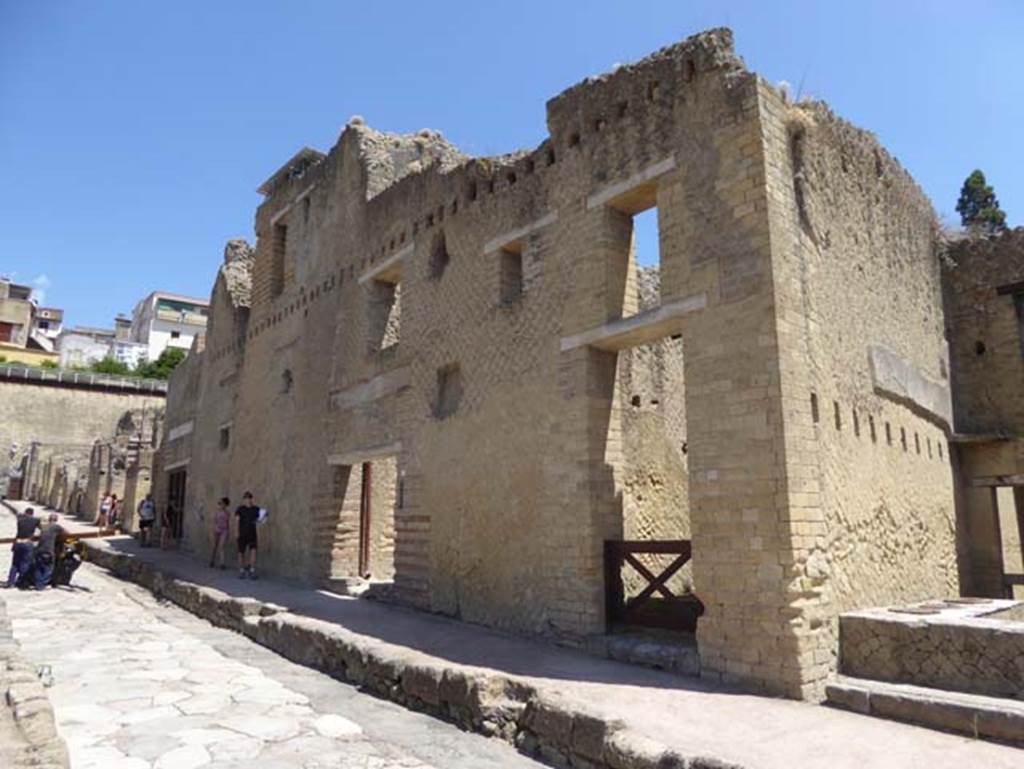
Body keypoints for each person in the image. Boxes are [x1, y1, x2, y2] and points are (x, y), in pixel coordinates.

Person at [5, 507, 40, 588]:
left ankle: (11, 582)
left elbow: (19, 515)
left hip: (17, 543)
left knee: (15, 564)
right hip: (26, 543)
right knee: (25, 563)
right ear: (32, 513)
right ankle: (22, 582)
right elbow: (41, 527)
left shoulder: (20, 520)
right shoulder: (35, 520)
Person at [33, 513, 64, 590]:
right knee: (49, 568)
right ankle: (42, 584)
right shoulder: (56, 527)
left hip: (39, 549)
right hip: (48, 550)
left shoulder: (44, 526)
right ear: (56, 520)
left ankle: (38, 584)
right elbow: (66, 533)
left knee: (39, 568)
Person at [235, 491, 260, 579]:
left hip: (252, 533)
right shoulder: (240, 509)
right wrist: (237, 532)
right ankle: (241, 570)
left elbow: (261, 517)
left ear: (251, 499)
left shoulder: (255, 509)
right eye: (245, 498)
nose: (247, 500)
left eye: (249, 498)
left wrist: (259, 520)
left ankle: (252, 570)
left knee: (253, 551)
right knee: (241, 552)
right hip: (242, 533)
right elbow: (237, 520)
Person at [209, 496, 229, 569]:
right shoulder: (216, 511)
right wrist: (213, 529)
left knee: (221, 546)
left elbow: (227, 522)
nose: (220, 505)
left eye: (221, 503)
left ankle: (222, 563)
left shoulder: (227, 512)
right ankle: (212, 560)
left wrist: (228, 531)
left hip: (224, 530)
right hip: (216, 529)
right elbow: (214, 521)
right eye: (219, 503)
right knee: (214, 546)